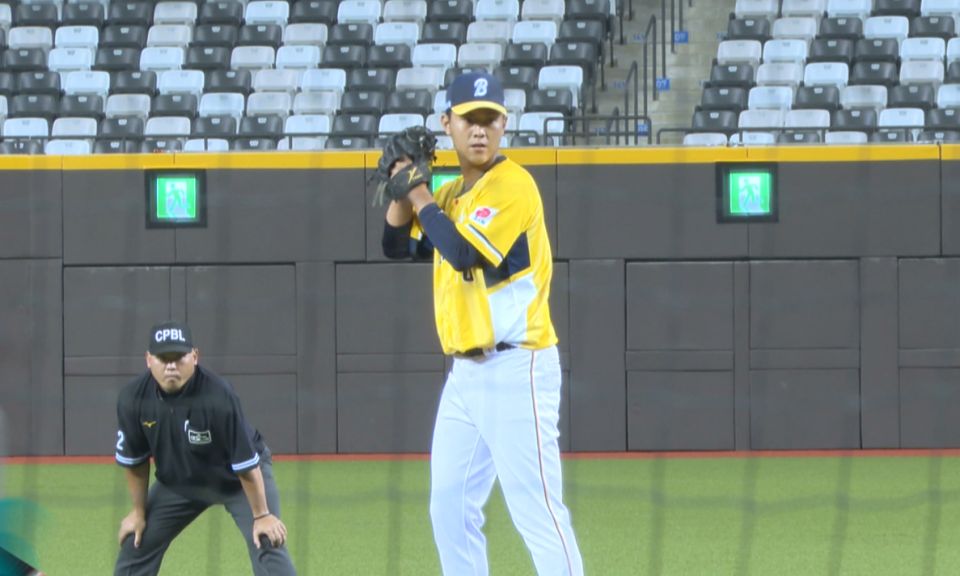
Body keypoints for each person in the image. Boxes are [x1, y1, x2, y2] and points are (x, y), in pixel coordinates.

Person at [381, 71, 584, 575]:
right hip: (465, 378)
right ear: (446, 123)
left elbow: (462, 252)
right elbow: (394, 246)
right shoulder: (450, 194)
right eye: (469, 119)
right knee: (448, 510)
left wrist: (419, 193)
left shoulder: (513, 185)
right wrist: (402, 185)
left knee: (537, 511)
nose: (479, 130)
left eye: (489, 119)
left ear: (504, 125)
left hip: (519, 368)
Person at [114, 321, 296, 576]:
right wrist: (138, 512)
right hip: (179, 483)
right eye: (163, 358)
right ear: (148, 359)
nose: (171, 365)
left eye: (179, 357)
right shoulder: (133, 398)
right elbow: (136, 462)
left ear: (195, 356)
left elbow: (245, 464)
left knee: (267, 538)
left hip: (237, 481)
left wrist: (262, 515)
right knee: (136, 540)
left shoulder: (218, 395)